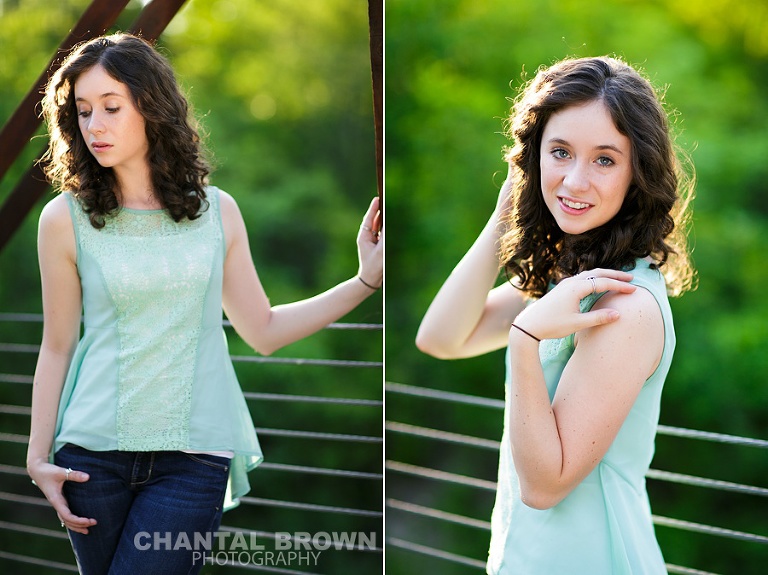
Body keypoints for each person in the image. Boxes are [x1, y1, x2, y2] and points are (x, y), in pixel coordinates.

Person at [26, 33, 382, 575]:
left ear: (151, 106)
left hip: (193, 461)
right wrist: (37, 457)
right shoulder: (63, 219)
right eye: (83, 110)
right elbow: (57, 346)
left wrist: (364, 281)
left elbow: (263, 329)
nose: (94, 125)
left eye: (111, 107)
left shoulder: (216, 212)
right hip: (90, 458)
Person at [416, 56, 695, 574]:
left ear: (638, 173)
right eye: (560, 152)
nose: (575, 181)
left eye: (605, 160)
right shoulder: (570, 278)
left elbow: (545, 487)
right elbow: (440, 337)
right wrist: (505, 212)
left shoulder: (624, 305)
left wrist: (524, 339)